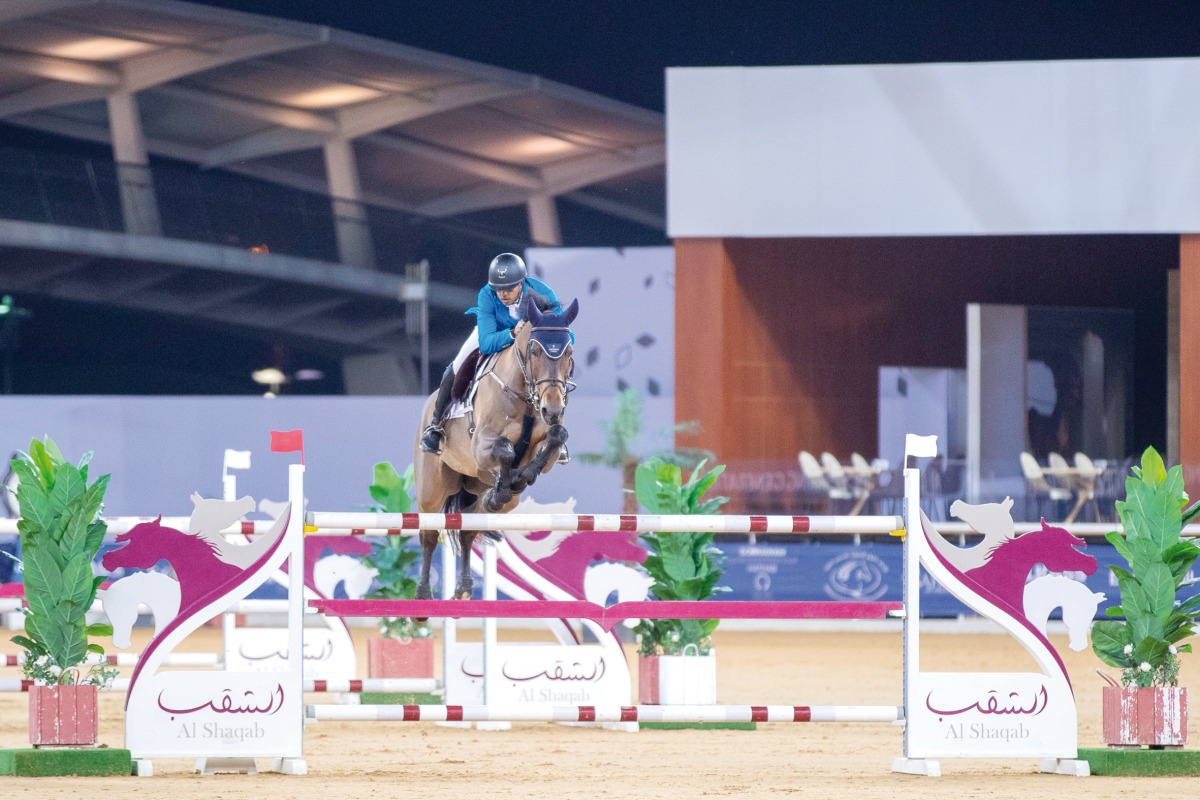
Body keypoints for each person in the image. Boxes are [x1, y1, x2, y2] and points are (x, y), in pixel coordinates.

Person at [419, 252, 570, 460]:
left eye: (509, 288)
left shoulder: (543, 292)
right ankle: (436, 425)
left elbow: (561, 329)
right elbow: (487, 342)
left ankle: (556, 439)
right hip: (494, 332)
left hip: (531, 342)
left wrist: (561, 349)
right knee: (458, 364)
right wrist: (510, 334)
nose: (503, 294)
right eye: (499, 289)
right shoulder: (486, 295)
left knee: (553, 375)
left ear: (522, 283)